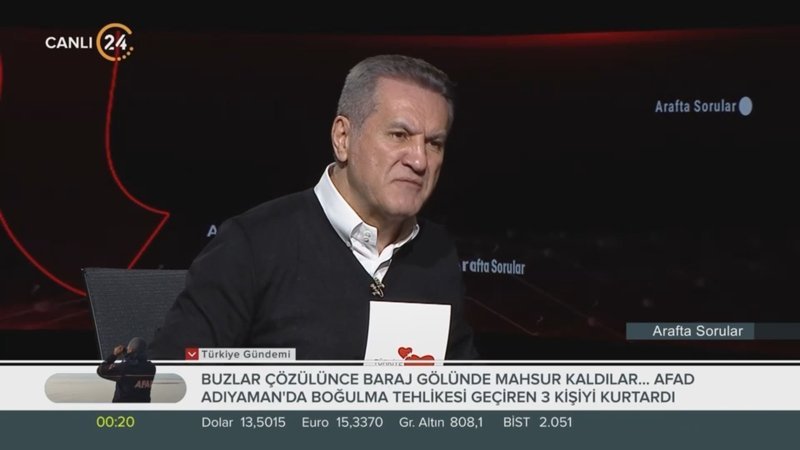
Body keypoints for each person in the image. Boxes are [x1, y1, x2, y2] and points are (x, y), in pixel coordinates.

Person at [150, 54, 478, 360]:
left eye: (434, 143)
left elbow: (465, 389)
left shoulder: (437, 254)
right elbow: (173, 382)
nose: (420, 161)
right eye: (399, 135)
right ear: (343, 138)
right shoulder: (252, 245)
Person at [97, 337, 157, 402]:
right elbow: (136, 363)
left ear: (130, 350)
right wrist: (128, 355)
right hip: (143, 406)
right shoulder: (151, 368)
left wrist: (114, 355)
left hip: (123, 406)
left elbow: (101, 370)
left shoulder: (124, 367)